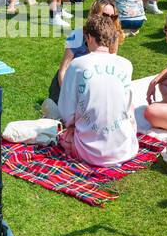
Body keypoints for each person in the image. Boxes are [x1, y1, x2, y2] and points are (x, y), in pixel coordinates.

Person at [57, 14, 138, 167]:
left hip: (88, 151)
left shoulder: (77, 65)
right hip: (124, 148)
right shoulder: (126, 64)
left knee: (65, 134)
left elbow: (66, 113)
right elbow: (128, 108)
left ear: (89, 37)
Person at [49, 0, 121, 103]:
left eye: (113, 17)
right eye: (105, 15)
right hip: (70, 81)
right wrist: (68, 95)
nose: (109, 20)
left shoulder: (113, 36)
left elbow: (111, 65)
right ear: (95, 14)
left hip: (94, 81)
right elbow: (63, 69)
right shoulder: (77, 35)